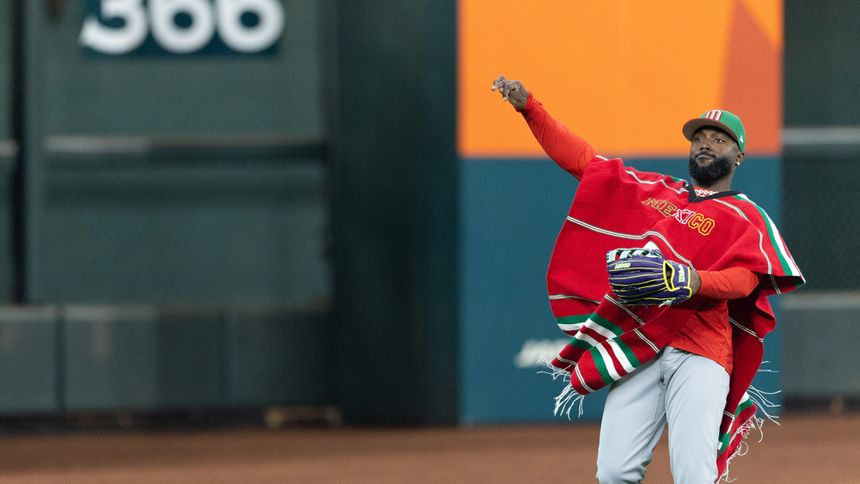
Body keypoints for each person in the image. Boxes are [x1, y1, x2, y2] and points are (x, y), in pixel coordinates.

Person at [491, 75, 804, 483]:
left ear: (739, 156)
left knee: (694, 474)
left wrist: (692, 281)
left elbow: (745, 282)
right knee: (614, 471)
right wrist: (530, 108)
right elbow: (583, 161)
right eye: (700, 137)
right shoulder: (656, 192)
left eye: (719, 139)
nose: (706, 144)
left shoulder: (747, 216)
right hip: (639, 344)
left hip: (701, 352)